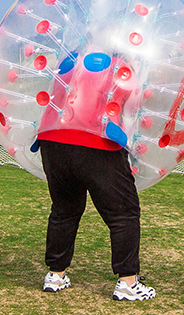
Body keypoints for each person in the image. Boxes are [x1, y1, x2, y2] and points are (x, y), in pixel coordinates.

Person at [36, 48, 153, 301]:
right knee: (123, 212)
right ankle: (127, 282)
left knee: (64, 210)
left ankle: (55, 275)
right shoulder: (119, 68)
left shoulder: (71, 61)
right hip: (95, 140)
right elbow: (133, 110)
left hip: (52, 138)